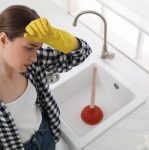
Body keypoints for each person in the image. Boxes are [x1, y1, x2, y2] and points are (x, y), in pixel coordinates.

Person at [0, 5, 92, 150]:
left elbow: (81, 54)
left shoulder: (33, 63)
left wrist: (54, 36)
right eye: (29, 48)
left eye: (37, 49)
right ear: (4, 40)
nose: (34, 57)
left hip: (46, 132)